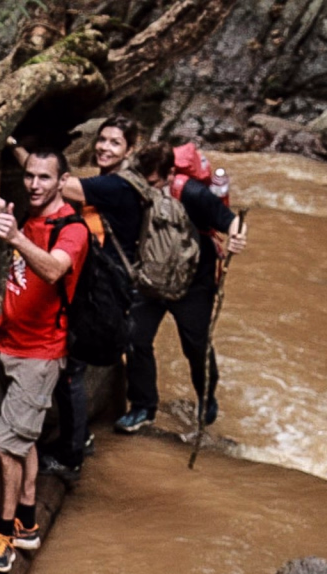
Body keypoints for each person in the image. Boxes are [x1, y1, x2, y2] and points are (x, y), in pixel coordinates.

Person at [0, 147, 89, 574]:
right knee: (21, 440)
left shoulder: (73, 229)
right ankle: (27, 523)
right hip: (8, 343)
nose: (35, 185)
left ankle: (3, 540)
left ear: (62, 181)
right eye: (29, 176)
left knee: (4, 447)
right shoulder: (28, 215)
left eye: (45, 178)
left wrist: (16, 237)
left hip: (40, 355)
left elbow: (52, 270)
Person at [116, 140, 246, 432]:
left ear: (171, 173)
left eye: (154, 181)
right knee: (136, 339)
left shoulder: (193, 193)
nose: (148, 185)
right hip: (151, 278)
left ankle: (206, 396)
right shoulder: (137, 188)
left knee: (195, 346)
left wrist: (238, 236)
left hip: (194, 284)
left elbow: (231, 221)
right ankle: (143, 407)